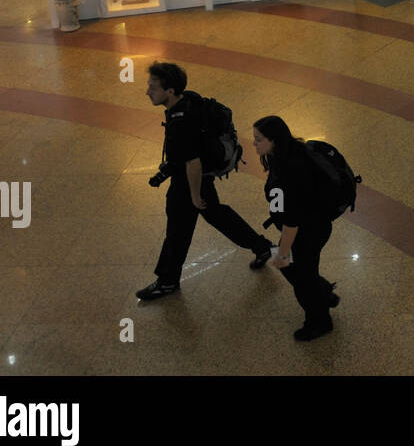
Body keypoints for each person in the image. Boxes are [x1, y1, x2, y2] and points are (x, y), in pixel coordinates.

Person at [136, 62, 274, 301]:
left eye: (153, 87)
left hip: (189, 182)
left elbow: (193, 163)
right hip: (197, 178)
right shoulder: (187, 99)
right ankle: (262, 247)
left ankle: (167, 281)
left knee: (178, 231)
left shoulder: (180, 122)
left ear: (170, 91)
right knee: (217, 215)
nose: (148, 91)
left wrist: (194, 194)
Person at [253, 115, 338, 341]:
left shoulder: (286, 172)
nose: (254, 144)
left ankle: (319, 322)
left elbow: (292, 220)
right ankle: (324, 293)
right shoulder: (292, 152)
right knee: (297, 270)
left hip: (306, 232)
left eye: (259, 140)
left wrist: (283, 252)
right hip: (317, 224)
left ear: (274, 140)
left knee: (302, 280)